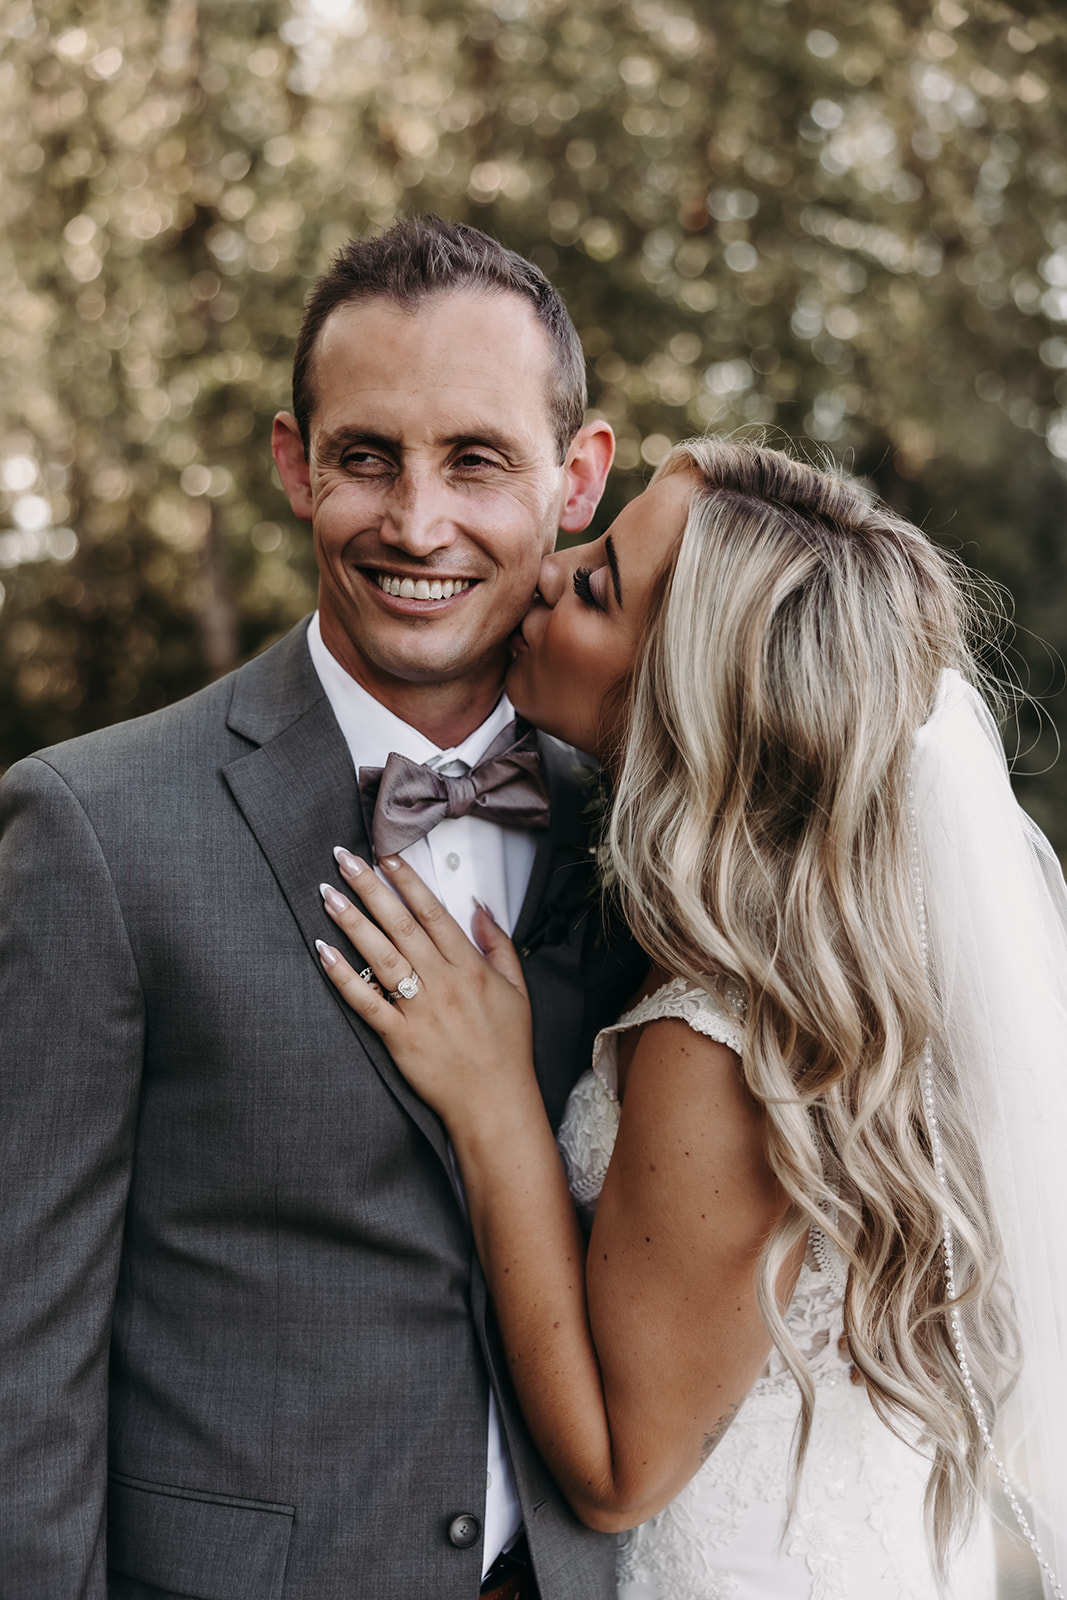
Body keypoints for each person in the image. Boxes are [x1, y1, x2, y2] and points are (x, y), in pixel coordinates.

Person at [0, 216, 646, 1598]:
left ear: (575, 478)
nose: (416, 523)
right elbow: (20, 1359)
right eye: (367, 457)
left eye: (475, 460)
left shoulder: (647, 843)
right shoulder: (94, 832)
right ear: (294, 464)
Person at [315, 437, 1067, 1599]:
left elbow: (621, 1471)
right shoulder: (789, 970)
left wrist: (495, 1107)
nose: (552, 570)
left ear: (684, 690)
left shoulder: (720, 1038)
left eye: (600, 586)